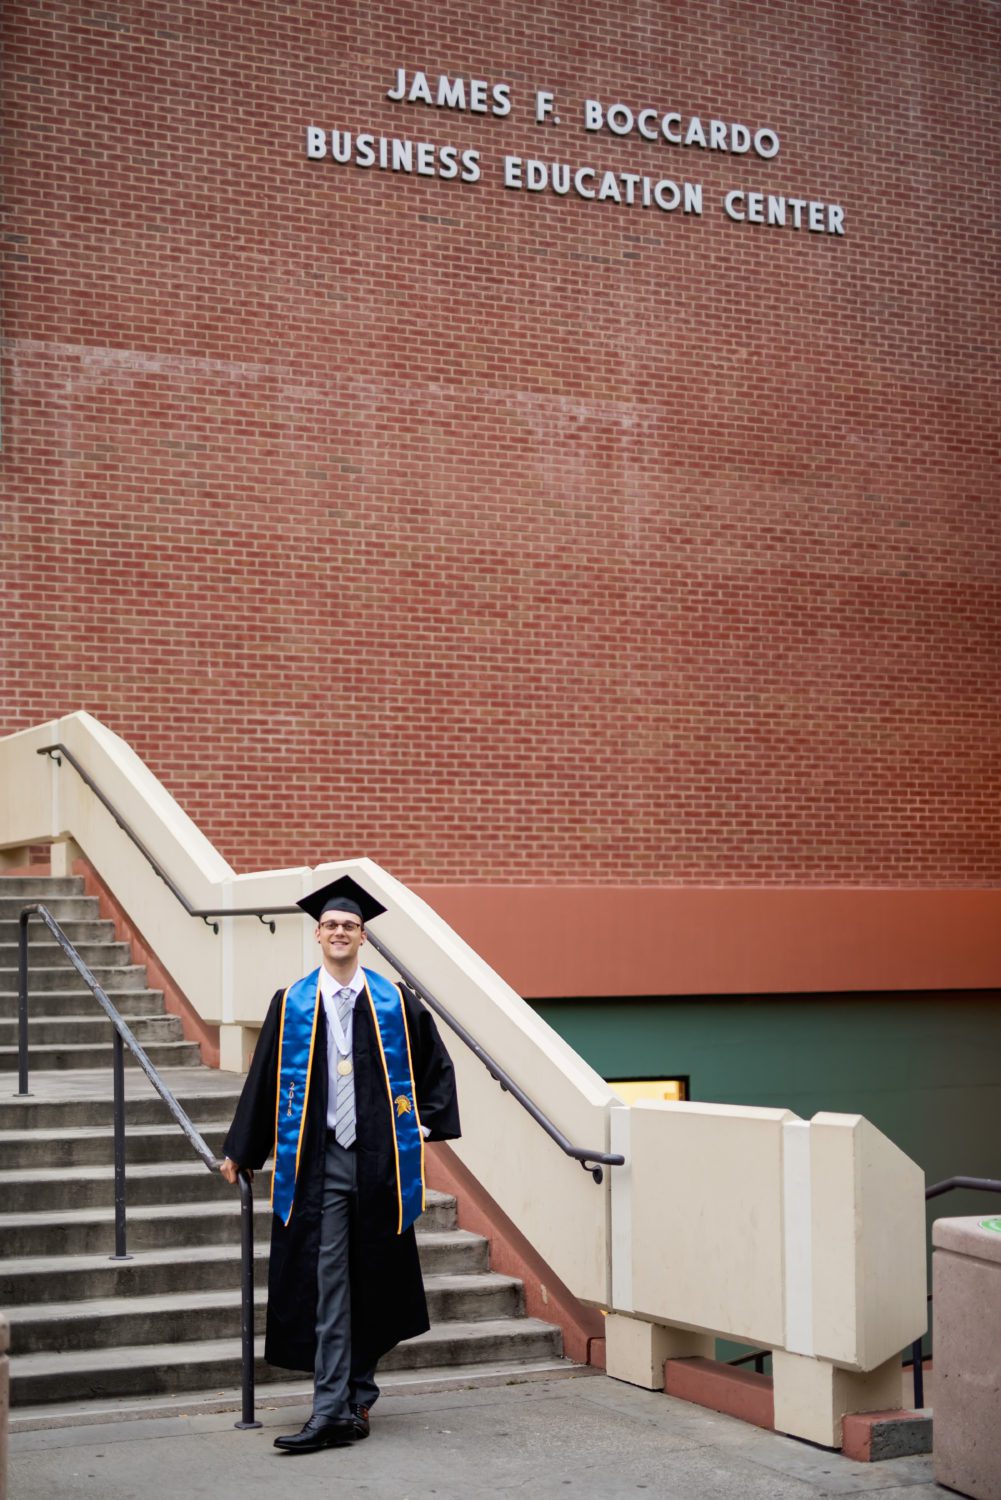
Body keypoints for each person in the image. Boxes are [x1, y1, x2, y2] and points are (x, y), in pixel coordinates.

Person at [219, 874, 460, 1454]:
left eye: (349, 925)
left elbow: (435, 1064)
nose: (339, 932)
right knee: (329, 1284)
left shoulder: (395, 1001)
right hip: (319, 1162)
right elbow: (265, 1080)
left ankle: (358, 1397)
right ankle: (329, 1411)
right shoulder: (294, 1002)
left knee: (374, 1279)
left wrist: (424, 1121)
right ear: (318, 935)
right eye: (330, 925)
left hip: (379, 1163)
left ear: (362, 937)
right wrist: (242, 1149)